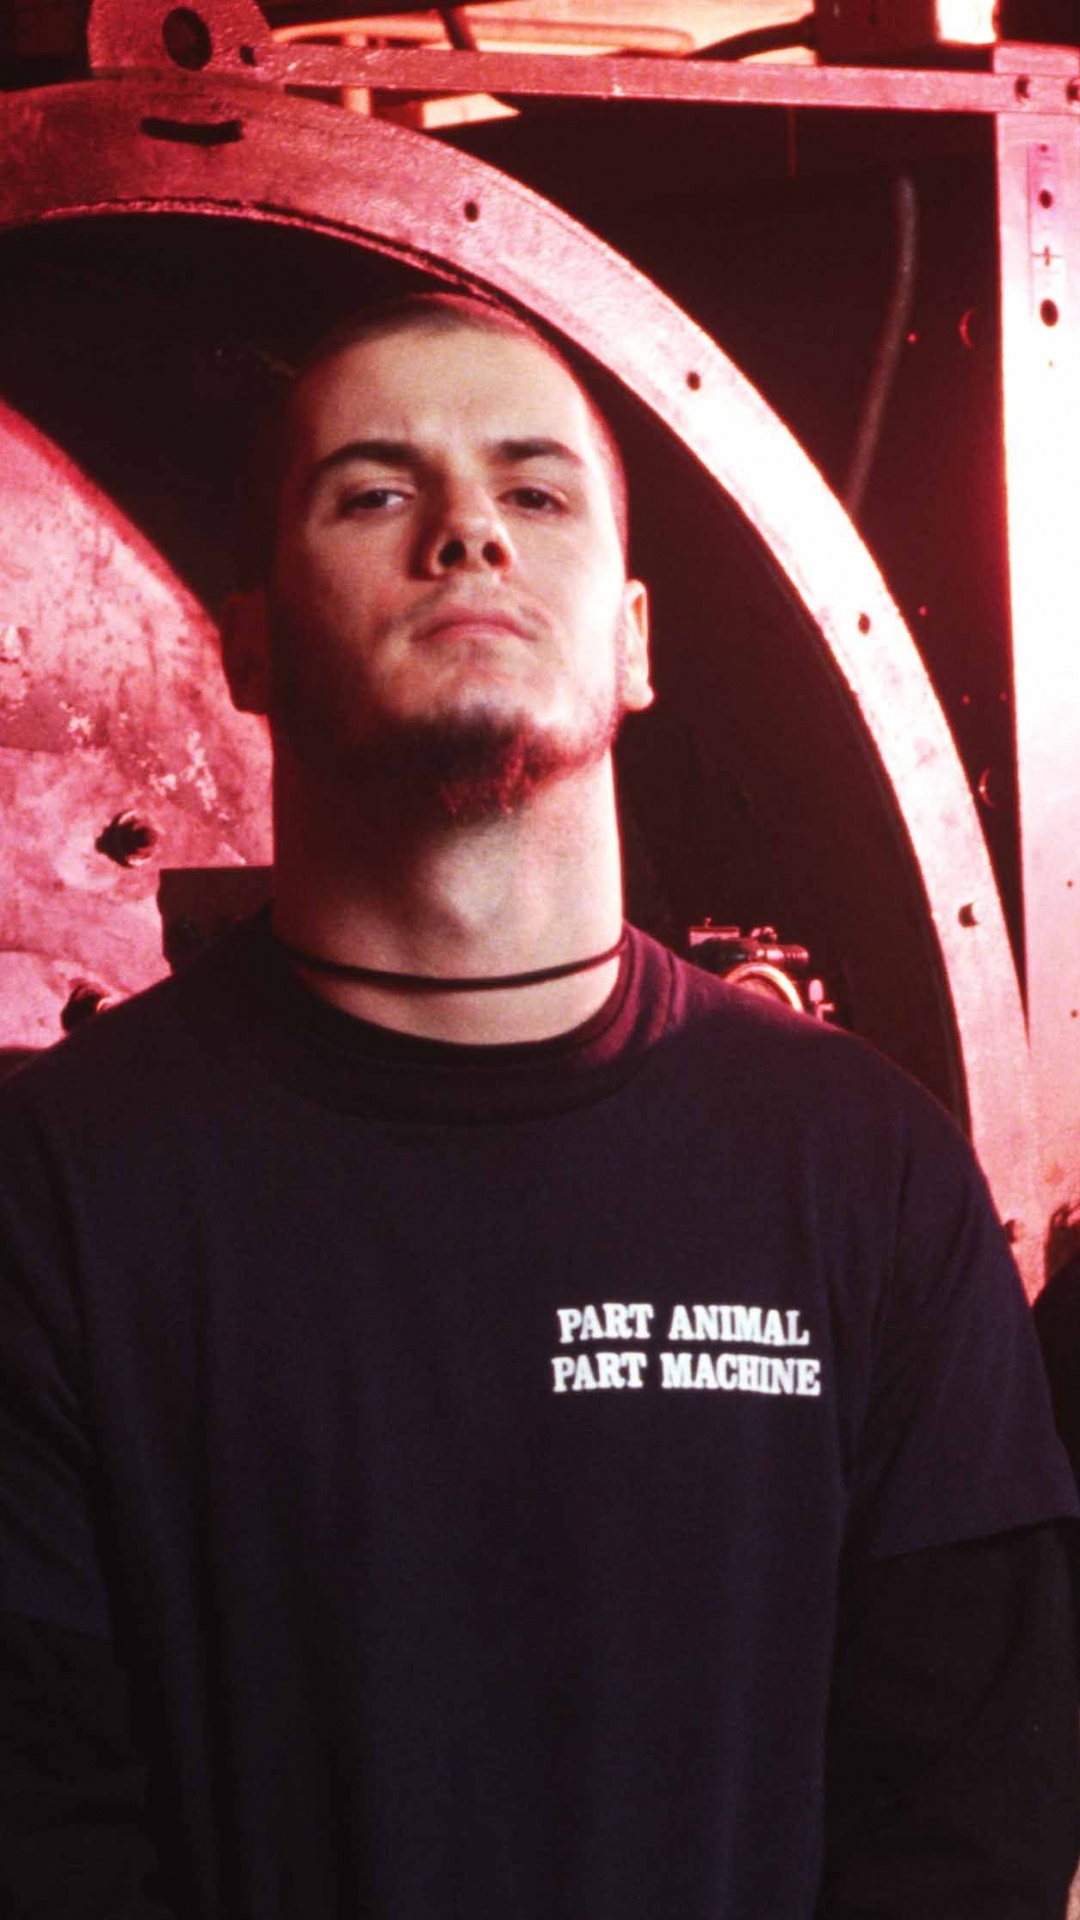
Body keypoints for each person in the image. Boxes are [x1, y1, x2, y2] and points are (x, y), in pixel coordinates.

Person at [0, 289, 1077, 1920]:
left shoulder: (867, 1176)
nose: (468, 535)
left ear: (634, 639)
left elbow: (971, 1827)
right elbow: (42, 1827)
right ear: (249, 643)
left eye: (535, 491)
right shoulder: (57, 1195)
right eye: (375, 490)